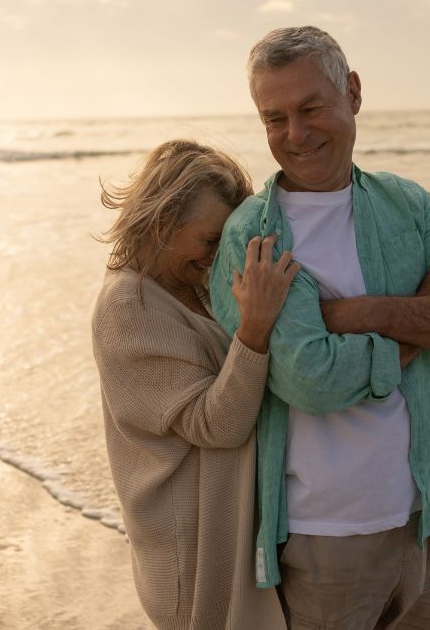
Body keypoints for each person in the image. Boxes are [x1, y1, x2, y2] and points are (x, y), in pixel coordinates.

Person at [208, 26, 430, 629]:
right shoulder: (253, 234)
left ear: (352, 92)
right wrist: (424, 312)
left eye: (311, 108)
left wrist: (360, 312)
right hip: (323, 537)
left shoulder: (407, 204)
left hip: (423, 516)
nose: (295, 134)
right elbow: (312, 380)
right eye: (275, 118)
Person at [91, 139, 295, 629]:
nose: (217, 255)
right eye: (209, 240)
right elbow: (215, 425)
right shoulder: (129, 308)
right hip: (192, 561)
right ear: (161, 224)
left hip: (225, 534)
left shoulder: (187, 283)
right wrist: (254, 328)